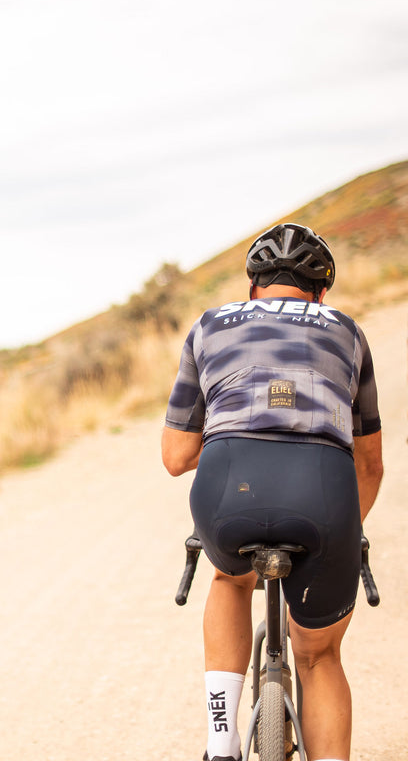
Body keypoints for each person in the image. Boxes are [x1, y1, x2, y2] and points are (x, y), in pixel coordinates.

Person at [161, 223, 384, 761]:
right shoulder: (347, 331)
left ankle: (221, 743)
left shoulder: (210, 325)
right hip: (324, 492)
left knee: (228, 578)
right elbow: (370, 463)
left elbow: (176, 459)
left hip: (228, 485)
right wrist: (344, 532)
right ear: (322, 292)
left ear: (252, 286)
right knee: (319, 657)